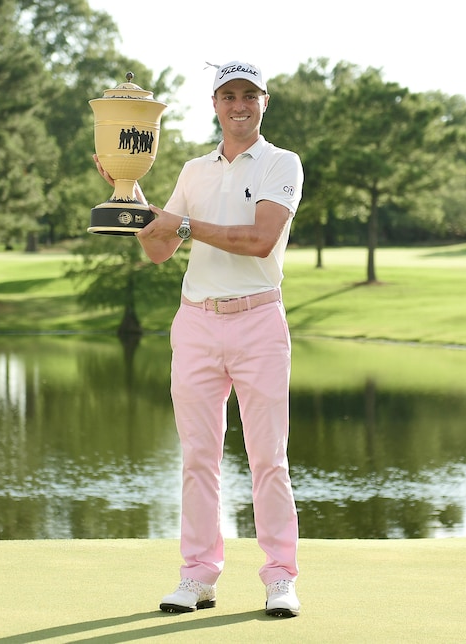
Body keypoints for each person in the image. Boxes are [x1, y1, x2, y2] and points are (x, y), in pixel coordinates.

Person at [93, 60, 303, 618]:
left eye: (249, 95)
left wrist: (180, 224)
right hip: (196, 323)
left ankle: (280, 577)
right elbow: (159, 249)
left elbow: (260, 240)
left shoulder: (283, 163)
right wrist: (129, 191)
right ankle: (197, 576)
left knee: (268, 459)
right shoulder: (193, 171)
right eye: (228, 95)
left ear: (264, 103)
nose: (239, 105)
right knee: (198, 458)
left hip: (258, 321)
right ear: (215, 105)